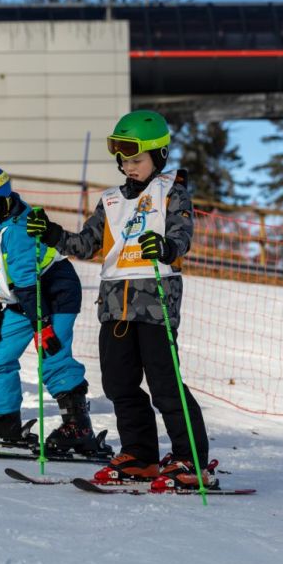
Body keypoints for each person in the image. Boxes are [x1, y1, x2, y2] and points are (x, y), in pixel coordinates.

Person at [26, 110, 211, 489]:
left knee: (164, 383)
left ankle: (191, 459)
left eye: (136, 159)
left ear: (158, 156)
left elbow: (182, 236)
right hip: (114, 305)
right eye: (124, 160)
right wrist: (50, 233)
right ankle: (140, 455)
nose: (129, 167)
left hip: (155, 300)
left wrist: (165, 246)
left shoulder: (171, 191)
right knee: (119, 383)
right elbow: (85, 244)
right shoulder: (110, 200)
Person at [0, 165, 105, 454]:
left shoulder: (18, 228)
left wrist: (42, 325)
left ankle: (78, 427)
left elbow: (27, 282)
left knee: (52, 355)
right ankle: (4, 417)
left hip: (53, 292)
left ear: (4, 203)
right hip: (22, 299)